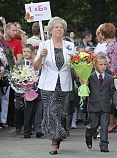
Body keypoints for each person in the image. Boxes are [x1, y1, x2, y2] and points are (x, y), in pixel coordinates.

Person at [33, 17, 75, 155]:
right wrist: (40, 56)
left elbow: (74, 65)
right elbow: (36, 66)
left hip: (65, 83)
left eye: (61, 27)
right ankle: (54, 141)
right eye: (56, 27)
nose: (59, 29)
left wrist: (82, 77)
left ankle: (59, 134)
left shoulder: (69, 45)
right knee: (51, 112)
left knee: (63, 113)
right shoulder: (44, 45)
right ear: (51, 30)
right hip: (48, 84)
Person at [85, 52, 117, 152]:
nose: (103, 67)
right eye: (101, 64)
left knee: (104, 126)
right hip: (93, 105)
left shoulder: (109, 78)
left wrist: (116, 103)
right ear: (95, 65)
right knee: (93, 125)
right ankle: (89, 134)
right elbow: (85, 88)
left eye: (105, 64)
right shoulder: (90, 77)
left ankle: (104, 145)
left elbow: (113, 91)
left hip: (105, 105)